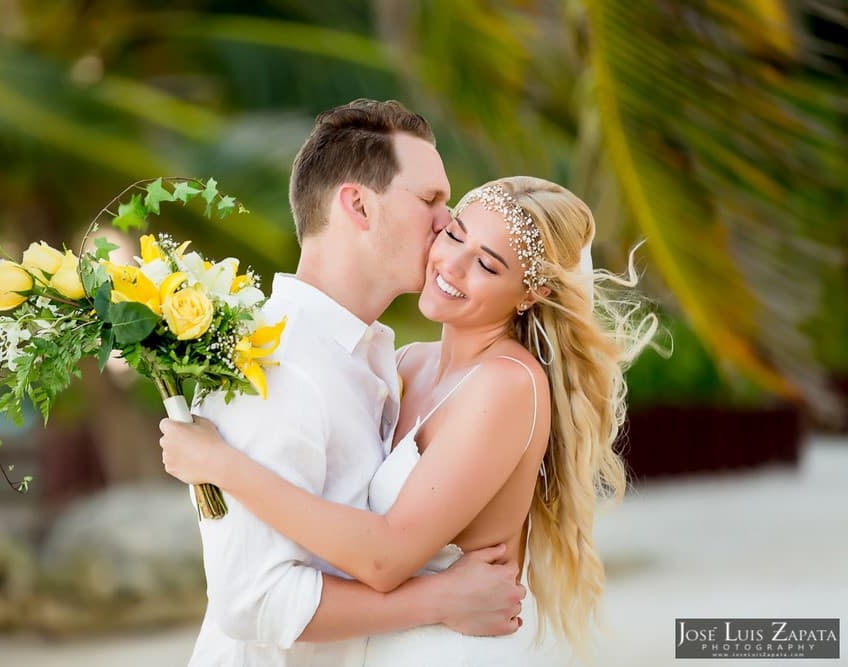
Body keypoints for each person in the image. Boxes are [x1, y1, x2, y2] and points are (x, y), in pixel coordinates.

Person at [161, 175, 659, 663]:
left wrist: (222, 465)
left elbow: (387, 557)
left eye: (486, 265)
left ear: (532, 295)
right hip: (386, 642)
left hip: (448, 649)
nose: (452, 265)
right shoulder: (405, 363)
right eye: (455, 234)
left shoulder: (507, 384)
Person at [163, 100, 526, 667]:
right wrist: (439, 599)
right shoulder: (274, 363)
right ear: (357, 204)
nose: (446, 221)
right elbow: (254, 600)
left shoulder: (379, 357)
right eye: (429, 199)